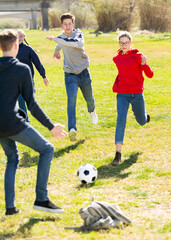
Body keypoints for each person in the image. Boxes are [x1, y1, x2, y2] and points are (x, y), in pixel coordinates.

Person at [0, 30, 67, 216]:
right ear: (16, 46)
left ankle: (10, 208)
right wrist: (51, 127)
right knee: (47, 149)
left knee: (12, 158)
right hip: (12, 123)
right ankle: (41, 199)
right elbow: (32, 104)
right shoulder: (22, 69)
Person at [46, 13, 98, 141]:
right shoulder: (61, 37)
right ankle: (72, 129)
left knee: (89, 98)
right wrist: (56, 52)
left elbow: (72, 44)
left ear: (73, 24)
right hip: (70, 74)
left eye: (70, 23)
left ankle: (91, 111)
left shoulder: (78, 35)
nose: (67, 26)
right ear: (62, 25)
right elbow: (60, 44)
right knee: (71, 101)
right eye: (65, 24)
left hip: (83, 72)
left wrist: (55, 39)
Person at [111, 31, 154, 166]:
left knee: (141, 121)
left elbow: (150, 75)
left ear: (131, 43)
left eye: (126, 42)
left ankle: (145, 116)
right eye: (121, 43)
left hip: (137, 94)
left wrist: (144, 64)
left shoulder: (138, 56)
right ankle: (118, 154)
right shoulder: (116, 59)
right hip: (122, 94)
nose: (124, 45)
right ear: (119, 44)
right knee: (120, 120)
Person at [17, 30, 49, 122]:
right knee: (21, 102)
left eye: (22, 36)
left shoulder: (28, 49)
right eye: (17, 36)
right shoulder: (11, 49)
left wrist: (44, 76)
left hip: (28, 80)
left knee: (30, 102)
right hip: (16, 81)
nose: (19, 38)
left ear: (24, 38)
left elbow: (37, 63)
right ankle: (25, 122)